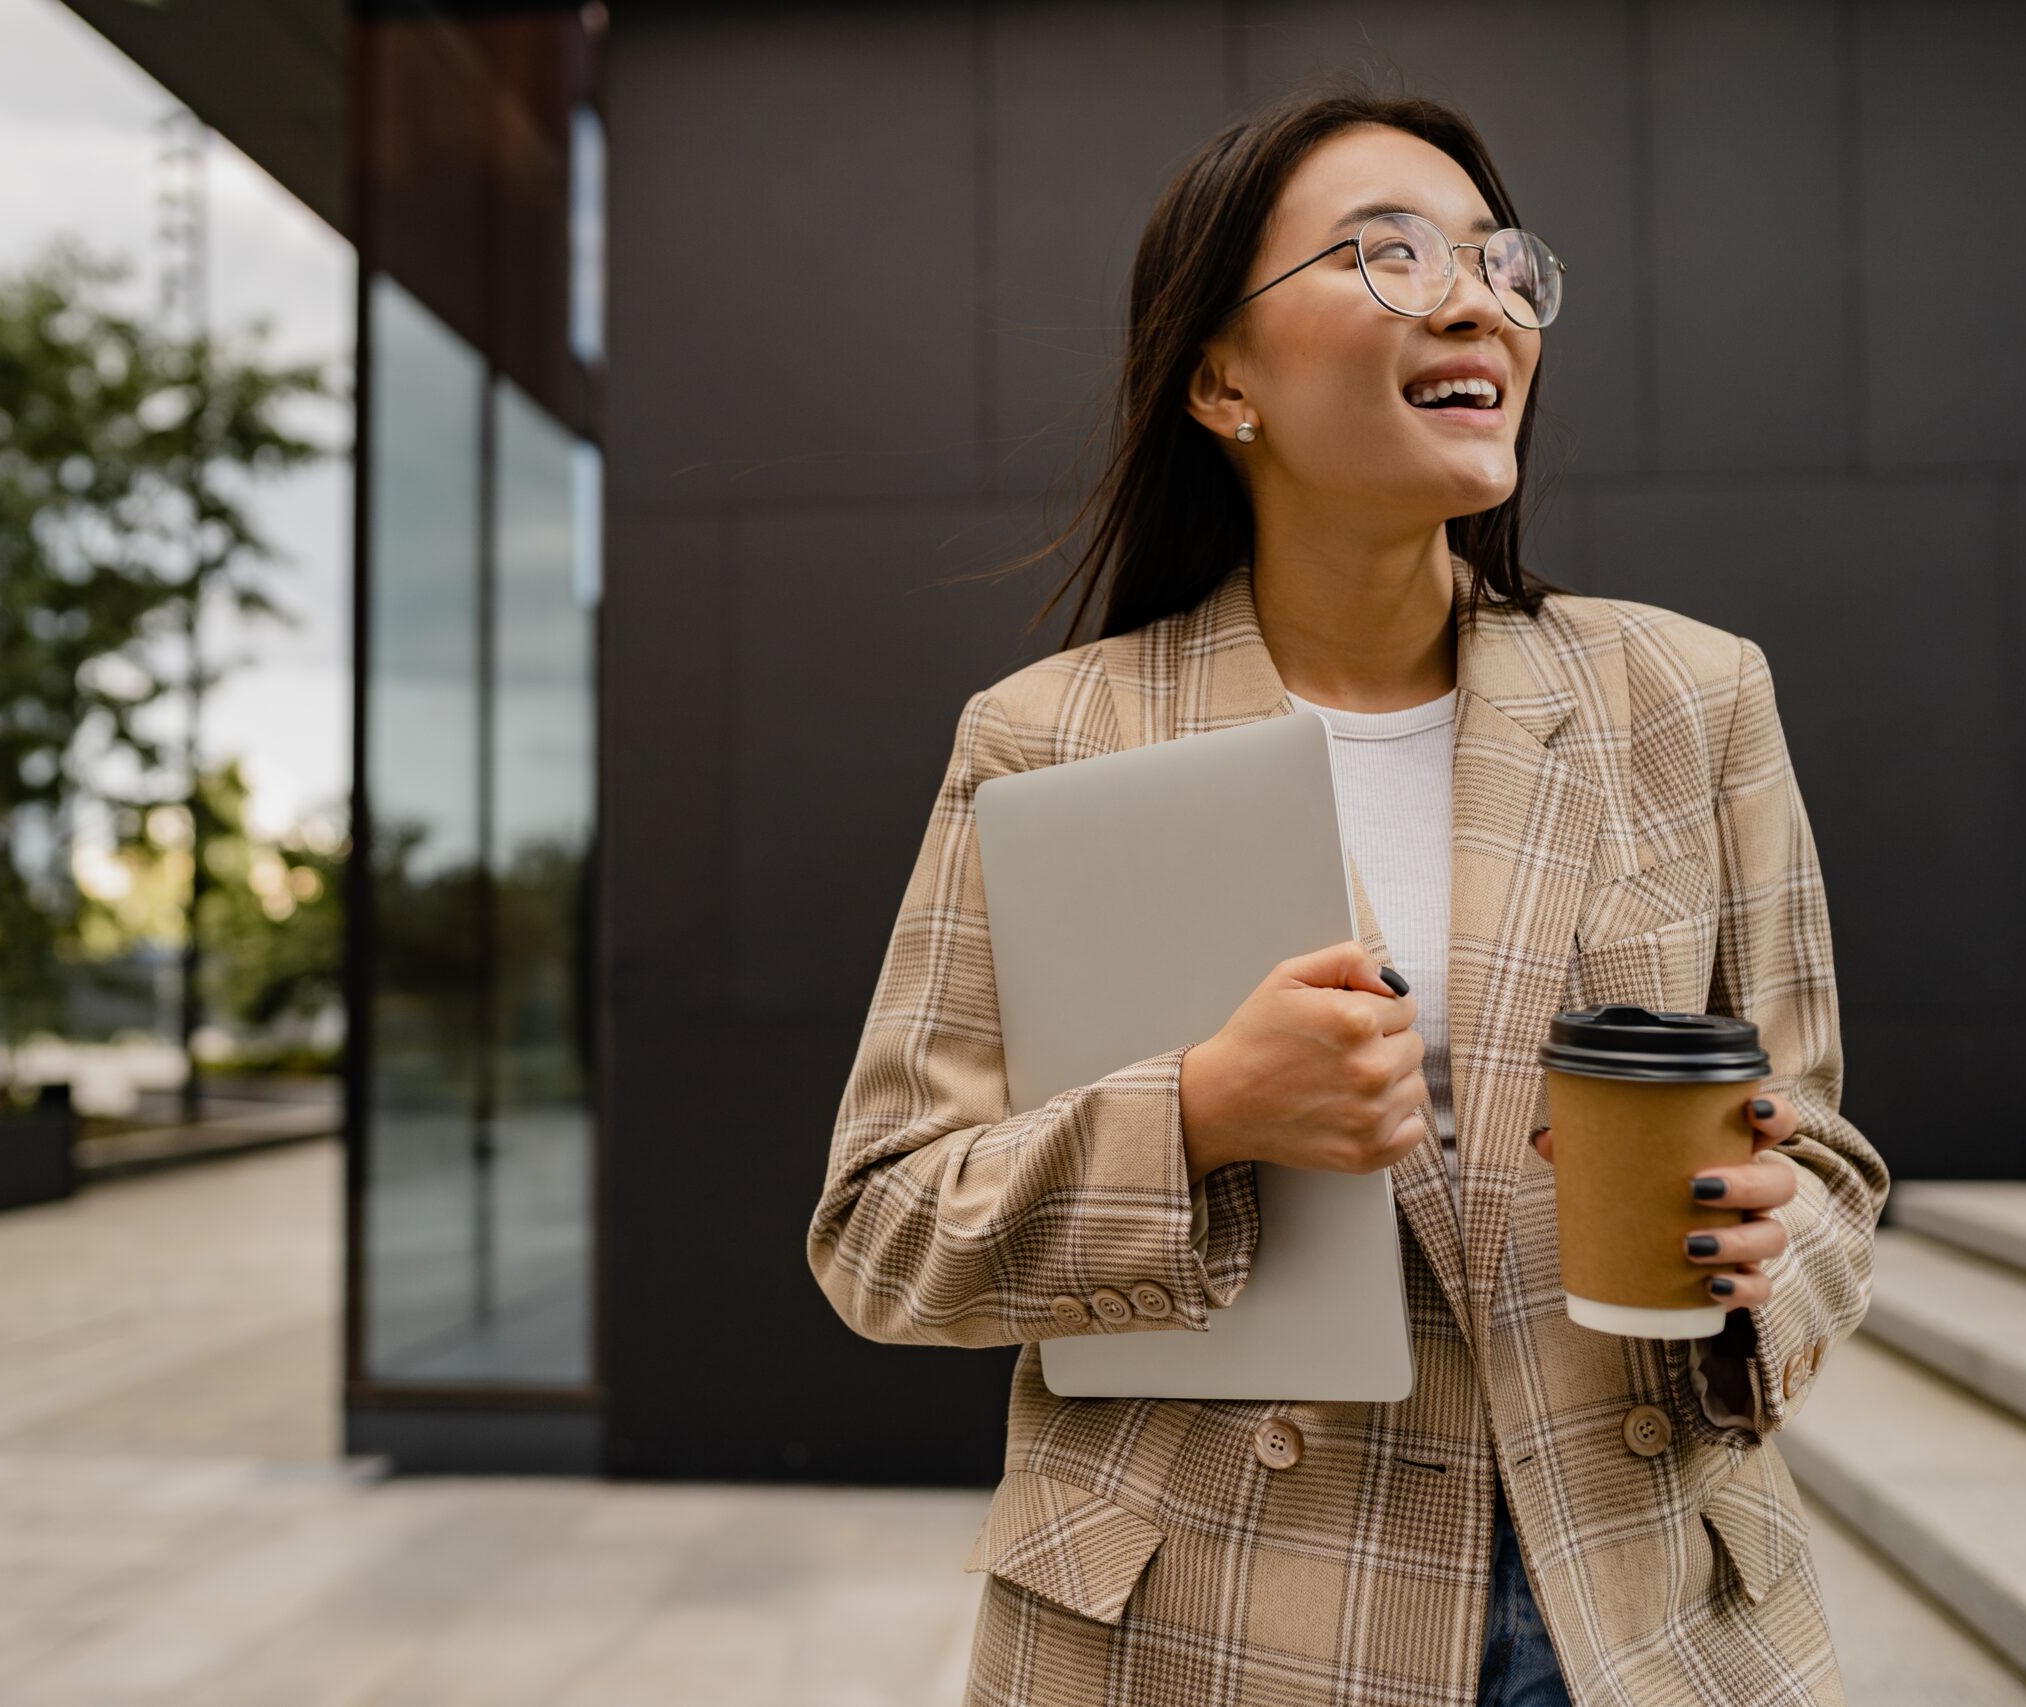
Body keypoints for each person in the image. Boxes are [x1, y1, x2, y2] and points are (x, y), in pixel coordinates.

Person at [805, 79, 1889, 1707]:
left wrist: (1772, 1238)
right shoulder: (1053, 740)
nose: (1476, 300)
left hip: (1637, 1613)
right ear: (1220, 379)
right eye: (1389, 253)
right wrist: (1202, 1115)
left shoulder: (1688, 698)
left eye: (1499, 261)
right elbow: (883, 1229)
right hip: (1214, 1627)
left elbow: (1824, 1155)